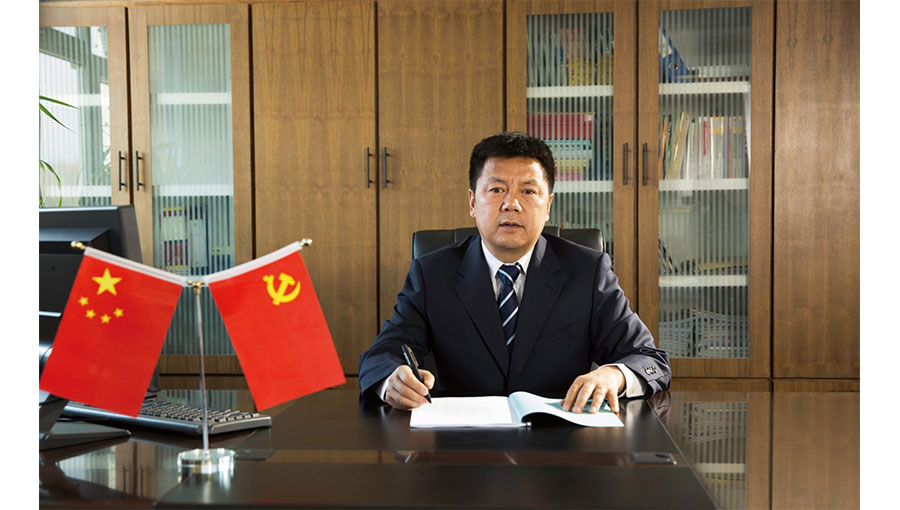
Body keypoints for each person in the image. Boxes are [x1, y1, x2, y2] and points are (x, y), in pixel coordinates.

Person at [358, 131, 670, 414]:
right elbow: (381, 355)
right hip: (461, 443)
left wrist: (613, 375)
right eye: (497, 189)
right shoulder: (432, 273)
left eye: (528, 191)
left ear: (548, 206)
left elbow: (649, 360)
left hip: (560, 441)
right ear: (472, 202)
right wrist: (392, 380)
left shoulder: (587, 272)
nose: (512, 204)